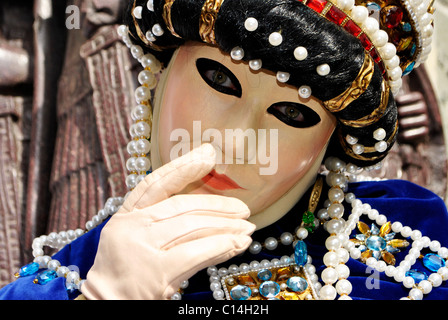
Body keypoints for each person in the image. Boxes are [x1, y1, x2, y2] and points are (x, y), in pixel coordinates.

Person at [1, 0, 447, 300]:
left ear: (329, 142)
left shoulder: (412, 257)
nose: (237, 141)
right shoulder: (63, 281)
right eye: (218, 80)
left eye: (292, 114)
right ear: (158, 75)